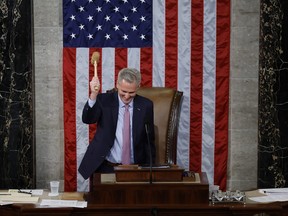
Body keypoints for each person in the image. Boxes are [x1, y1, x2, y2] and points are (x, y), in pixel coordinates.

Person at [78, 68, 156, 180]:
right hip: (106, 166)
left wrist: (150, 170)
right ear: (117, 85)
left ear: (138, 87)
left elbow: (149, 140)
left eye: (131, 92)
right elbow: (88, 119)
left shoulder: (146, 105)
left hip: (135, 168)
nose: (127, 96)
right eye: (123, 91)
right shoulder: (104, 101)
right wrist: (94, 94)